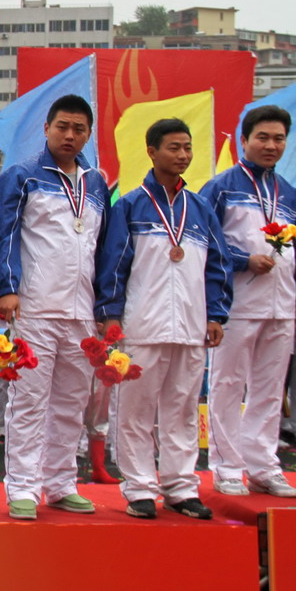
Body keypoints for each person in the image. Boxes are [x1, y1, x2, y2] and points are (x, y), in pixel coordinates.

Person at [97, 118, 232, 519]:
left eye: (187, 148)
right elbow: (114, 265)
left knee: (183, 411)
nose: (183, 155)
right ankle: (139, 488)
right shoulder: (130, 205)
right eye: (174, 148)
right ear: (152, 151)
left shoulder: (201, 209)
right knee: (134, 411)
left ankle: (181, 487)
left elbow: (218, 266)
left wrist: (215, 315)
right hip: (142, 326)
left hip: (190, 326)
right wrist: (111, 314)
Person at [0, 94, 110, 520]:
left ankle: (60, 483)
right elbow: (2, 234)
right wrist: (7, 287)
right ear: (47, 129)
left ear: (88, 134)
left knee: (71, 403)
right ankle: (22, 486)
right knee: (28, 400)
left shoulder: (96, 183)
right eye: (63, 127)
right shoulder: (22, 176)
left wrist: (104, 306)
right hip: (34, 307)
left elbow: (102, 248)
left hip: (80, 311)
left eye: (79, 129)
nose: (70, 135)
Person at [200, 105, 296, 498]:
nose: (271, 145)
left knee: (271, 390)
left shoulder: (289, 193)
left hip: (282, 305)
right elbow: (204, 242)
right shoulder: (221, 187)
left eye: (279, 139)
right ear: (244, 140)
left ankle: (262, 466)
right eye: (263, 137)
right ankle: (226, 467)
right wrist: (243, 260)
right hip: (236, 305)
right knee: (227, 385)